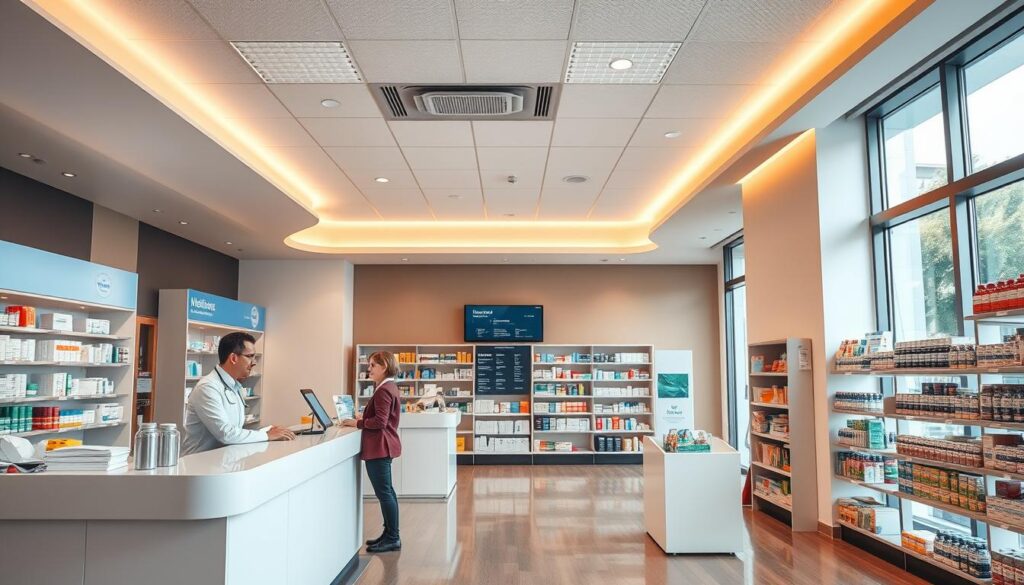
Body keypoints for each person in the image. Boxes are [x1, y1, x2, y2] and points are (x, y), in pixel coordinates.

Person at [182, 332, 295, 455]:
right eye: (250, 356)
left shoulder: (234, 385)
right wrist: (265, 435)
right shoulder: (207, 388)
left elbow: (234, 431)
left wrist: (266, 431)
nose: (254, 362)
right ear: (233, 358)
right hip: (198, 465)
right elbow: (226, 434)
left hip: (221, 459)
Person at [342, 350, 402, 552]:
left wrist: (357, 422)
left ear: (384, 366)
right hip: (384, 445)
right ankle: (388, 534)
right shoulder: (388, 386)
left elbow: (380, 422)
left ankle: (393, 537)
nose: (369, 369)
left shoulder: (384, 390)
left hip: (379, 446)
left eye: (372, 365)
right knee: (387, 492)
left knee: (385, 493)